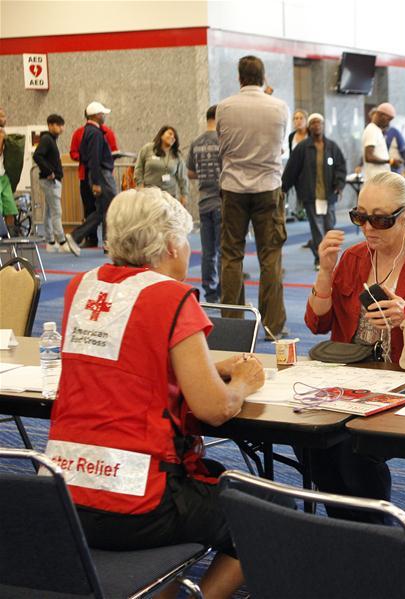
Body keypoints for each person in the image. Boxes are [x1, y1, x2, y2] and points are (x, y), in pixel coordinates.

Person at [45, 187, 266, 599]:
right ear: (169, 244)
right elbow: (214, 409)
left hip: (63, 495)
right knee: (261, 519)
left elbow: (127, 364)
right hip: (137, 503)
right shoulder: (171, 296)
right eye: (185, 239)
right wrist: (242, 385)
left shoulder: (82, 287)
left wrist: (205, 368)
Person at [303, 171, 405, 521]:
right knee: (309, 436)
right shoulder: (352, 259)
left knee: (351, 447)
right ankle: (350, 531)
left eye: (380, 219)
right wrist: (324, 272)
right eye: (359, 216)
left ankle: (374, 536)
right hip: (353, 383)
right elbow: (318, 324)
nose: (368, 228)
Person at [216, 55, 290, 340]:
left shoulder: (225, 107)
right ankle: (272, 327)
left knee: (231, 257)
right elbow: (280, 147)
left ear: (239, 77)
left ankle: (233, 326)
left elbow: (224, 148)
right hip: (268, 188)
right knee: (270, 257)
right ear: (264, 77)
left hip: (234, 189)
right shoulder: (279, 107)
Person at [282, 112, 347, 270]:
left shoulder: (332, 146)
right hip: (311, 195)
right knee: (317, 229)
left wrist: (339, 185)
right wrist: (283, 188)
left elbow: (341, 167)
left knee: (329, 226)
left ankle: (330, 257)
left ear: (323, 126)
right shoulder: (303, 148)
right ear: (309, 127)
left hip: (328, 195)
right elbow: (292, 169)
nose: (317, 125)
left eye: (319, 123)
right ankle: (319, 259)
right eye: (313, 123)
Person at [67, 101, 119, 256]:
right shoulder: (96, 133)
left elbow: (84, 156)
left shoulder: (87, 132)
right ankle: (77, 236)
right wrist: (96, 182)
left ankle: (105, 243)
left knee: (103, 210)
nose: (104, 116)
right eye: (103, 114)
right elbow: (94, 159)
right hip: (101, 175)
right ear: (97, 115)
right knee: (109, 209)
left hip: (97, 175)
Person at [187, 105, 223, 303]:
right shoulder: (223, 140)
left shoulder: (196, 142)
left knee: (208, 251)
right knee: (224, 251)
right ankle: (224, 291)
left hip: (203, 201)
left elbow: (190, 172)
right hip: (221, 200)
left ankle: (210, 292)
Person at [32, 114, 72, 253]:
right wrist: (49, 171)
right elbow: (37, 155)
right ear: (50, 125)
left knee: (49, 212)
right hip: (50, 181)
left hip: (51, 180)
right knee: (56, 212)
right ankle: (61, 241)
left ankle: (50, 241)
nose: (61, 128)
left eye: (62, 125)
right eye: (58, 125)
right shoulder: (47, 139)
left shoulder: (51, 140)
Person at [135, 125, 189, 205]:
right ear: (161, 135)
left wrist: (184, 194)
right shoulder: (147, 149)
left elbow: (182, 177)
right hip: (149, 195)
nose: (172, 137)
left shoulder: (176, 155)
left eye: (174, 136)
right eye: (170, 133)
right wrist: (140, 185)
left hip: (169, 197)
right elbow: (139, 168)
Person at [0, 107, 25, 233]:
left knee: (9, 207)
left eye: (4, 116)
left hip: (3, 176)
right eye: (1, 116)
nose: (4, 119)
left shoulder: (3, 132)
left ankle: (10, 233)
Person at [362, 103, 401, 181]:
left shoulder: (376, 130)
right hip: (375, 181)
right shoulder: (371, 130)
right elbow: (369, 157)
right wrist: (391, 161)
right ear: (381, 115)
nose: (388, 123)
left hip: (379, 181)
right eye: (388, 119)